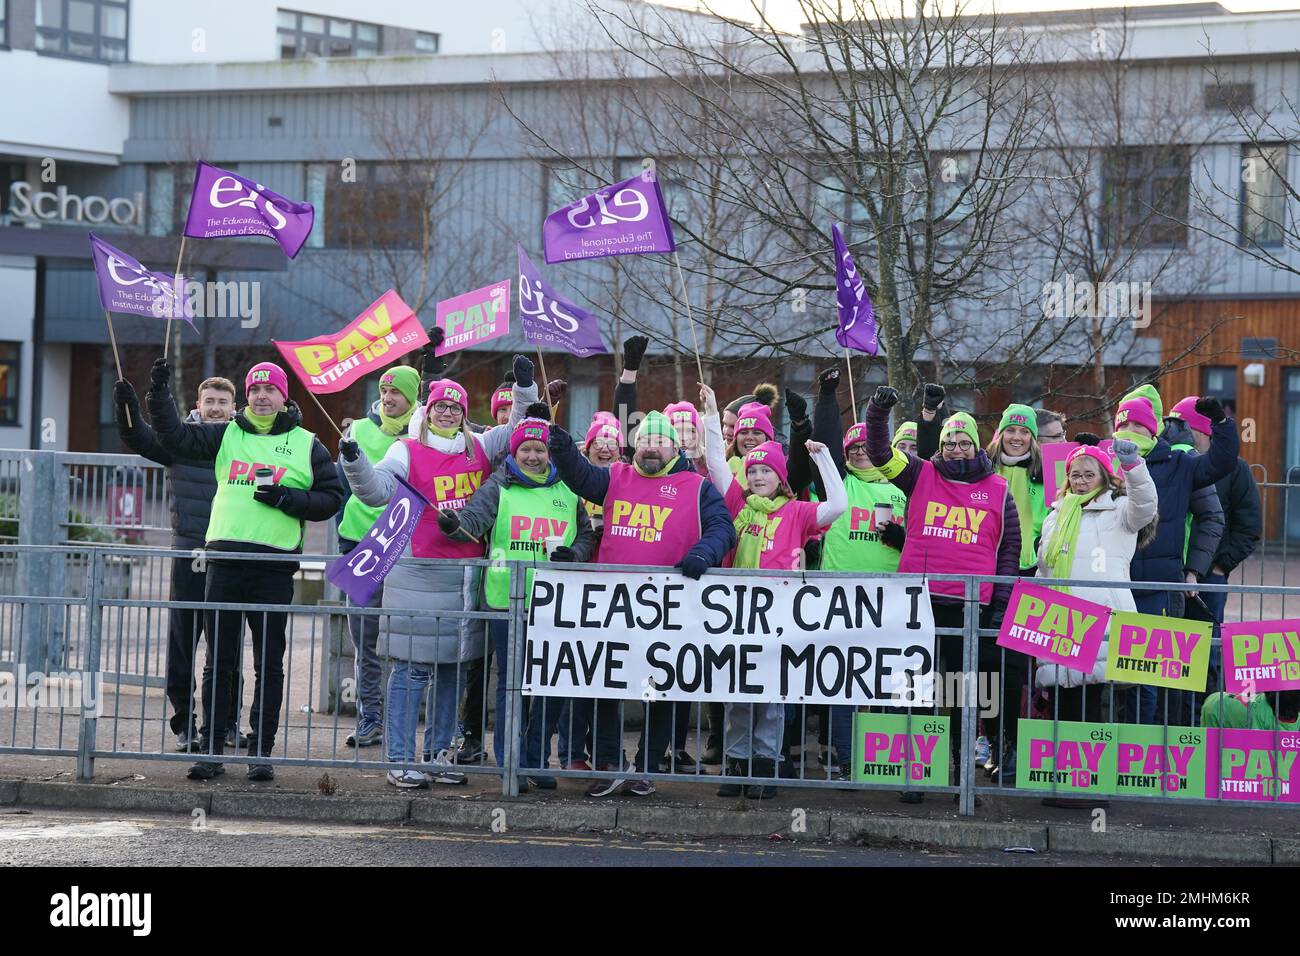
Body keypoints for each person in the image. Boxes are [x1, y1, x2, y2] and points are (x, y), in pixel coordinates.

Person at [340, 360, 537, 789]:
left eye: (455, 407)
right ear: (427, 410)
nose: (447, 412)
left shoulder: (481, 447)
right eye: (440, 406)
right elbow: (374, 492)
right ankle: (398, 759)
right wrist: (354, 460)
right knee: (410, 672)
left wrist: (524, 387)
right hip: (417, 573)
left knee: (453, 669)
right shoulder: (406, 450)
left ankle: (440, 755)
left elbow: (522, 428)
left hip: (466, 577)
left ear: (464, 413)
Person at [147, 358, 344, 782]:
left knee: (269, 662)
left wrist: (289, 500)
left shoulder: (308, 444)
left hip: (273, 566)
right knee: (219, 660)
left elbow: (331, 498)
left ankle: (261, 750)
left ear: (282, 396)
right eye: (254, 389)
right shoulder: (226, 434)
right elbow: (176, 437)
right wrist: (159, 394)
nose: (260, 396)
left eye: (269, 389)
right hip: (224, 561)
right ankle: (212, 749)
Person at [549, 408, 737, 797]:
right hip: (613, 607)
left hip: (669, 609)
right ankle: (607, 764)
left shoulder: (696, 486)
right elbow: (579, 476)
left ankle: (646, 767)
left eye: (660, 441)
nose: (652, 448)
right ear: (635, 445)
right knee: (604, 684)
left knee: (660, 690)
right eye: (646, 440)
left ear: (674, 447)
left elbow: (724, 528)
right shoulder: (616, 476)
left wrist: (703, 554)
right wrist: (560, 441)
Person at [865, 386, 1023, 796]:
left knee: (959, 692)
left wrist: (1000, 604)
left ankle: (957, 769)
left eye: (963, 441)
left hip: (971, 605)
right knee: (917, 690)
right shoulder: (921, 473)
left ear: (976, 445)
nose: (955, 449)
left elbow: (1009, 552)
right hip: (920, 603)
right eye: (949, 442)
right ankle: (917, 772)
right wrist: (879, 410)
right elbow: (880, 452)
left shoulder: (1000, 490)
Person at [700, 384, 847, 798]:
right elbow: (714, 461)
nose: (758, 476)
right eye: (752, 471)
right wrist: (712, 413)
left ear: (780, 476)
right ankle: (736, 765)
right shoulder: (736, 504)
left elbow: (837, 505)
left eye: (766, 470)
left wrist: (822, 459)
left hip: (779, 619)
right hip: (735, 615)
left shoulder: (797, 512)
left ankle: (765, 766)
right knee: (736, 694)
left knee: (770, 696)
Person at [438, 413, 598, 791]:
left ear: (550, 453)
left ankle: (535, 759)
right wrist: (453, 525)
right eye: (525, 448)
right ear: (514, 451)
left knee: (548, 685)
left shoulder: (569, 489)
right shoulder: (498, 485)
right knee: (512, 686)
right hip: (505, 602)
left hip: (555, 604)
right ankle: (510, 763)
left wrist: (574, 554)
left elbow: (587, 537)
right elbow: (473, 522)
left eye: (539, 449)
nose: (532, 455)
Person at [114, 374, 243, 753]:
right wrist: (128, 407)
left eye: (223, 401)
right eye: (210, 401)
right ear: (198, 406)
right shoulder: (178, 439)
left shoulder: (244, 442)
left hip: (230, 550)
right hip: (188, 550)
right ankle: (185, 722)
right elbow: (139, 437)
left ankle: (226, 723)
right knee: (183, 641)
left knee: (226, 644)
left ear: (234, 408)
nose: (216, 407)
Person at [1114, 388, 1239, 725]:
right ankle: (1116, 751)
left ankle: (1148, 751)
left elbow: (1223, 462)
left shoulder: (1181, 464)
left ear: (1153, 430)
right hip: (1114, 583)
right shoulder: (1107, 462)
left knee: (1152, 676)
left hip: (1161, 586)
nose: (1130, 433)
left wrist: (1221, 422)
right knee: (1112, 677)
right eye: (1123, 426)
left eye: (1138, 427)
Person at [807, 376, 910, 777]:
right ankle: (846, 755)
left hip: (893, 599)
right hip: (840, 597)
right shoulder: (839, 484)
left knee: (890, 677)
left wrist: (903, 540)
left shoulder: (902, 485)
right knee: (843, 679)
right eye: (854, 448)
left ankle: (884, 757)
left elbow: (922, 540)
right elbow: (827, 443)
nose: (862, 452)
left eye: (868, 446)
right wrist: (828, 397)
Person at [1035, 442, 1157, 723]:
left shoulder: (1120, 510)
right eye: (1075, 475)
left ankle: (1094, 767)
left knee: (1094, 709)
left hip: (1101, 625)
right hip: (1060, 625)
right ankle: (1064, 766)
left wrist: (1132, 467)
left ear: (1104, 475)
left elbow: (1146, 505)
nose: (1081, 481)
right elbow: (1045, 570)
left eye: (1089, 474)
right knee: (1061, 709)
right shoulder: (1055, 515)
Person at [334, 362, 422, 749]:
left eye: (396, 392)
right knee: (365, 640)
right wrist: (345, 539)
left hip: (406, 546)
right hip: (362, 546)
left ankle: (414, 724)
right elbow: (342, 488)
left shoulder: (424, 433)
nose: (388, 398)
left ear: (412, 397)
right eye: (384, 390)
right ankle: (370, 717)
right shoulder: (358, 430)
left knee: (413, 642)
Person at [1165, 396, 1262, 695]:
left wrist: (1219, 566)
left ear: (1203, 432)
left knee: (1205, 655)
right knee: (1164, 655)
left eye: (1182, 428)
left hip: (1208, 580)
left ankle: (1199, 723)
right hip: (1166, 574)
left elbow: (1249, 527)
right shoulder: (1168, 464)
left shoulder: (1236, 470)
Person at [986, 403, 1048, 577]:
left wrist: (1088, 447)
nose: (1016, 437)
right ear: (1001, 434)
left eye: (1025, 431)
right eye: (1010, 430)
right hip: (990, 562)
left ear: (1032, 437)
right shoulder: (984, 467)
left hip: (1032, 566)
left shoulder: (1046, 472)